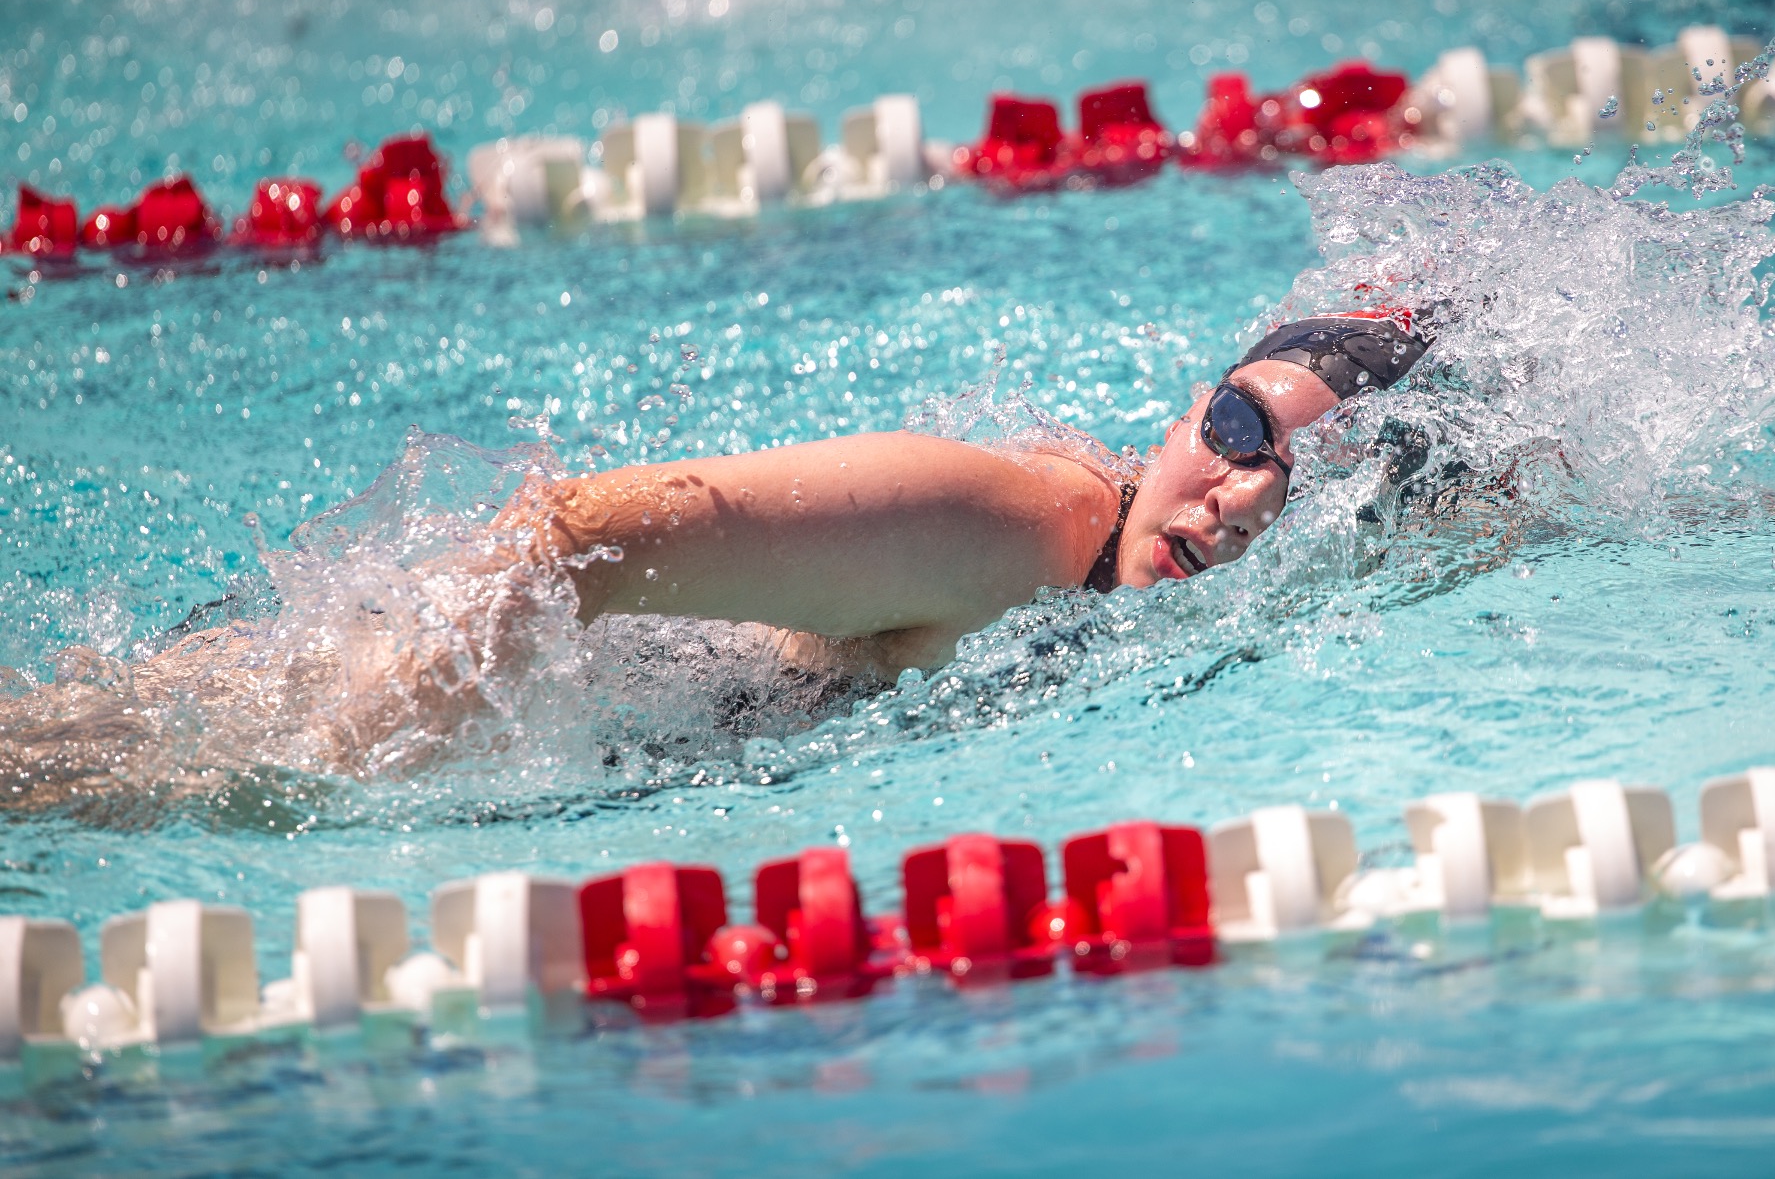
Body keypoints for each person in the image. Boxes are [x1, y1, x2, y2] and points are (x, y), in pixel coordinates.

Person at [3, 310, 1432, 786]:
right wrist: (345, 755)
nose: (1241, 496)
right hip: (379, 708)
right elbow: (563, 540)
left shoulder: (1112, 594)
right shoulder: (1015, 524)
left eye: (1294, 488)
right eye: (1241, 430)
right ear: (1189, 405)